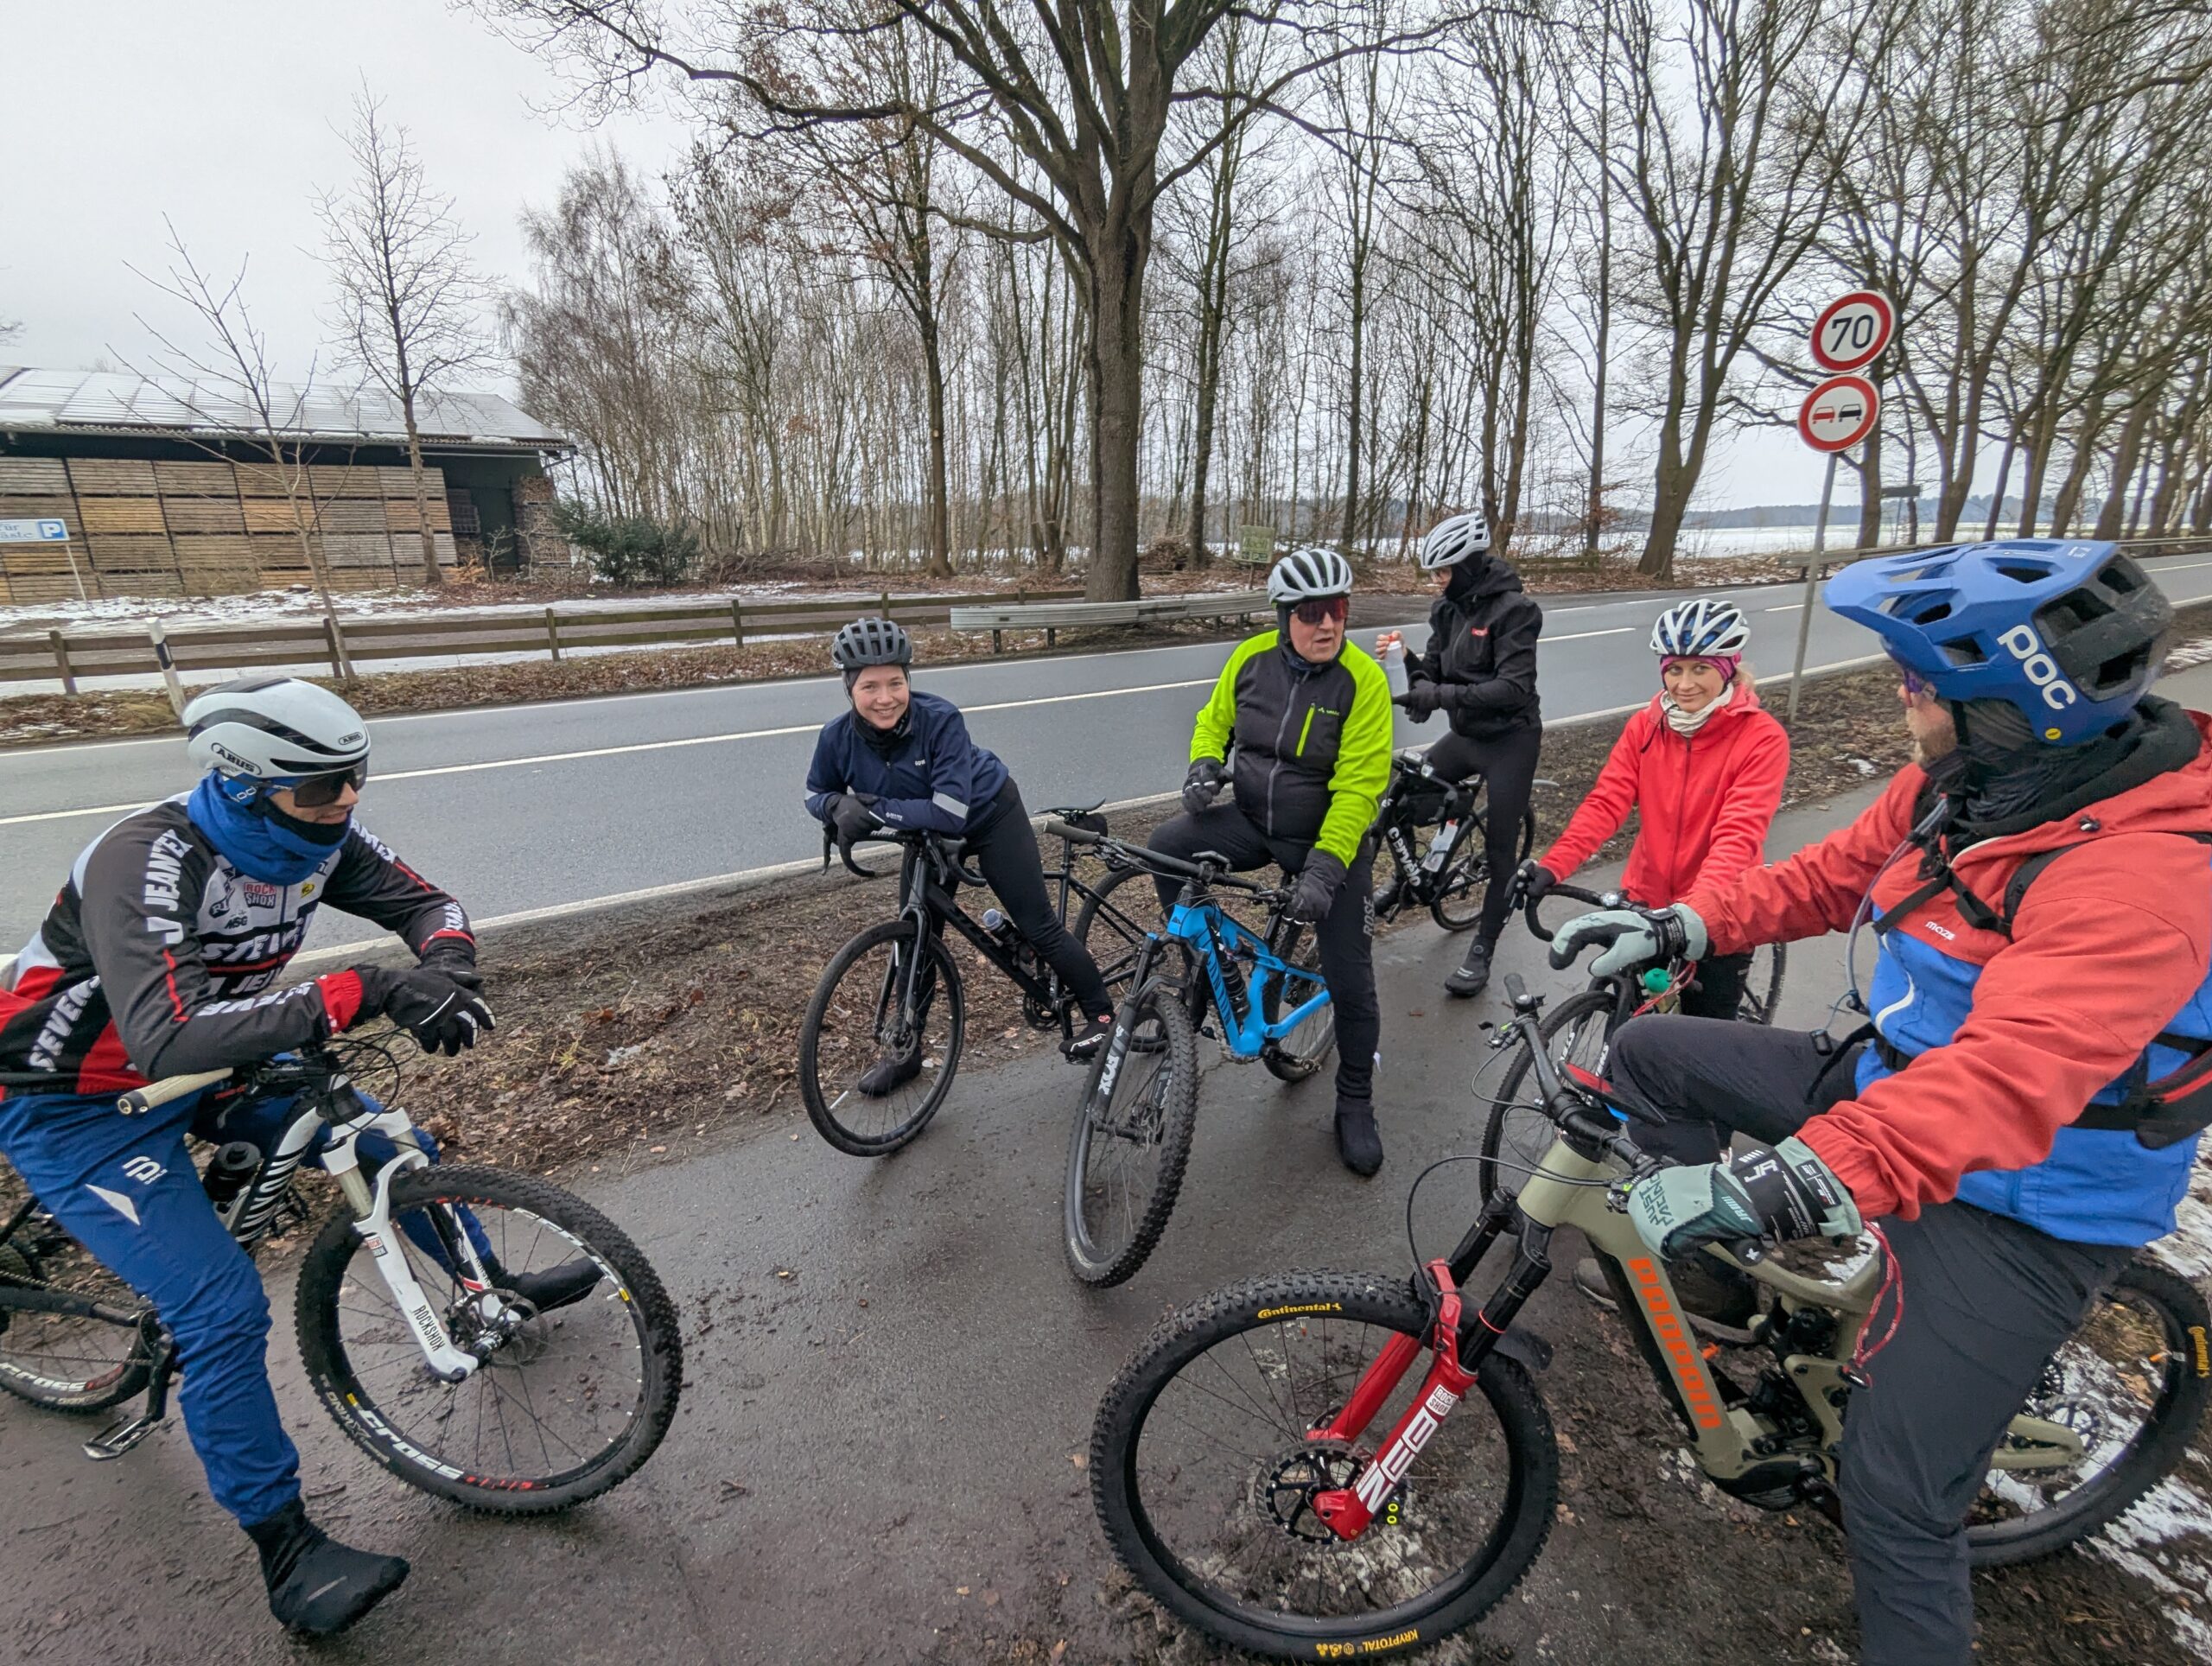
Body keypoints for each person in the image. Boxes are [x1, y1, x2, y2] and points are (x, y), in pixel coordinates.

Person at [1547, 542, 2210, 1666]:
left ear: (2011, 709)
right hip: (1895, 1077)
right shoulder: (1970, 784)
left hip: (2030, 1190)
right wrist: (1684, 928)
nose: (1905, 696)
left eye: (1923, 682)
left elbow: (2002, 1082)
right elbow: (1827, 877)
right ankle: (1727, 1284)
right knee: (1654, 1052)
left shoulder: (2143, 885)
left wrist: (1790, 1175)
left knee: (1894, 1503)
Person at [0, 676, 588, 1637]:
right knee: (222, 1307)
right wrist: (361, 988)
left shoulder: (316, 839)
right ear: (241, 785)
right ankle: (285, 1547)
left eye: (354, 778)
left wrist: (446, 970)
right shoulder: (142, 859)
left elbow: (430, 903)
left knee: (383, 1138)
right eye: (320, 789)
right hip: (75, 1101)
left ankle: (485, 1284)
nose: (345, 803)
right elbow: (169, 1034)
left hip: (214, 1058)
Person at [1154, 548, 1394, 1174]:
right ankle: (1210, 966)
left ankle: (1356, 1102)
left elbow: (1359, 788)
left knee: (1352, 979)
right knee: (1165, 847)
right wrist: (1204, 766)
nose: (1329, 625)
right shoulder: (1250, 660)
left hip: (1327, 841)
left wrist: (1323, 870)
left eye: (1338, 610)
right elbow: (1214, 723)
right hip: (1255, 821)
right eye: (1313, 612)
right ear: (1285, 616)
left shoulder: (1363, 680)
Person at [804, 617, 1117, 1082]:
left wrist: (874, 810)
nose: (885, 697)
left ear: (909, 681)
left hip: (988, 814)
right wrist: (834, 805)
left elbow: (949, 812)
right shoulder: (836, 737)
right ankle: (906, 1052)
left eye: (895, 682)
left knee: (1038, 924)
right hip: (923, 835)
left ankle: (1104, 1018)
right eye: (870, 686)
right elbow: (814, 791)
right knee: (917, 942)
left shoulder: (941, 719)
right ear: (849, 689)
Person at [1516, 596, 1789, 1018]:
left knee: (1702, 1042)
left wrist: (1692, 915)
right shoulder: (1646, 726)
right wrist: (1554, 866)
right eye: (1675, 669)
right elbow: (1607, 803)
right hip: (1646, 900)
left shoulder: (1761, 738)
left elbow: (1738, 835)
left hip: (1720, 905)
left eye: (1701, 668)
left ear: (1727, 668)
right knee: (1635, 1019)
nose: (1684, 684)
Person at [1392, 511, 1544, 997]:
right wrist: (1408, 668)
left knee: (1501, 850)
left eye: (1444, 572)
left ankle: (1483, 946)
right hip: (1466, 735)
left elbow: (1512, 688)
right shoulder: (1446, 610)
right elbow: (1435, 672)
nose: (1437, 583)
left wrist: (1438, 697)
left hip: (1510, 741)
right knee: (1401, 795)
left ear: (1471, 564)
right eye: (1434, 573)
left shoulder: (1516, 611)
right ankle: (1407, 881)